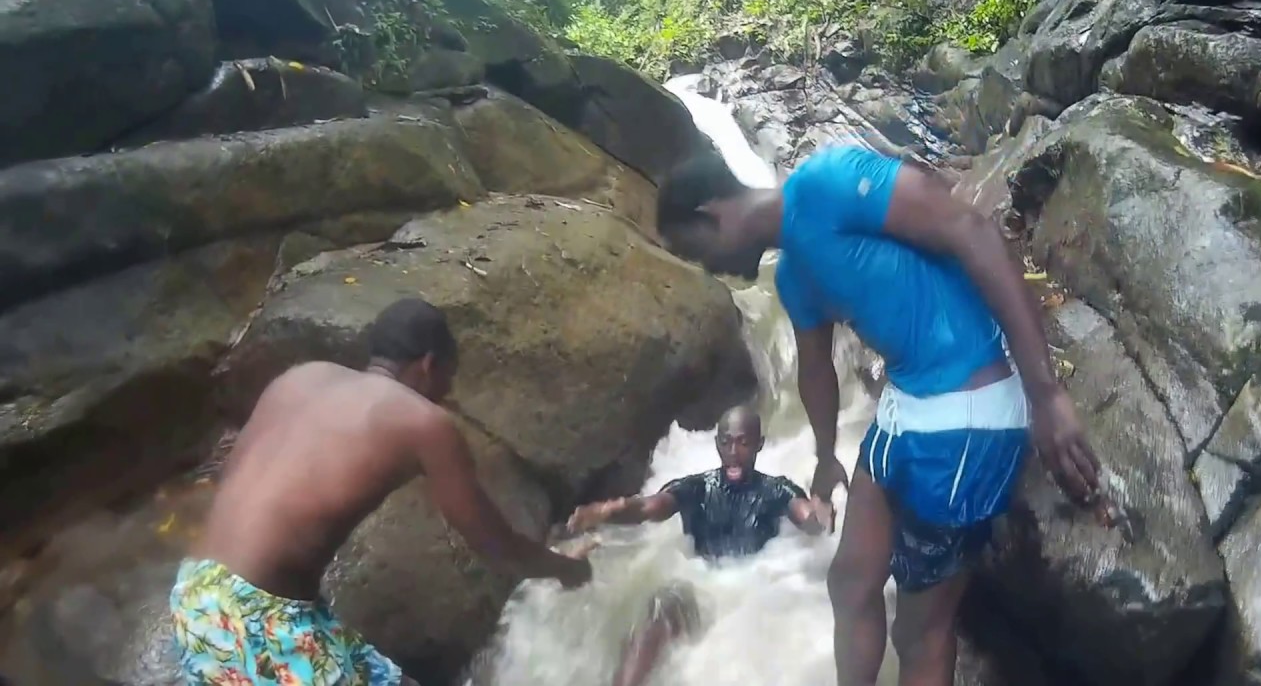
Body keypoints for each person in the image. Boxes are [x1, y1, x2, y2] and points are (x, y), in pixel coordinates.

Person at [655, 147, 1101, 686]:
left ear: (710, 213)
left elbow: (971, 229)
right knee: (849, 582)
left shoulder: (827, 181)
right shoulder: (794, 276)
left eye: (696, 250)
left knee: (919, 632)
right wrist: (823, 454)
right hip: (902, 409)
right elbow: (815, 367)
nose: (708, 268)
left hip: (969, 414)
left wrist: (1046, 394)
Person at [170, 298, 592, 686]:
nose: (447, 393)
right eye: (449, 377)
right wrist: (564, 568)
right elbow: (495, 545)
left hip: (196, 595)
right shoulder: (422, 422)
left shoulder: (302, 376)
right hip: (258, 620)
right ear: (429, 364)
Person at [567, 405, 834, 686]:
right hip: (705, 590)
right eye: (726, 442)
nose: (733, 451)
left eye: (743, 443)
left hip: (757, 594)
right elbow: (649, 507)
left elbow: (808, 519)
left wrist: (821, 511)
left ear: (759, 445)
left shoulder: (776, 490)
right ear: (717, 444)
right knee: (664, 602)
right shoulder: (696, 488)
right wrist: (610, 510)